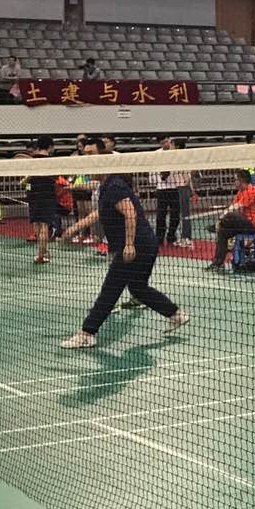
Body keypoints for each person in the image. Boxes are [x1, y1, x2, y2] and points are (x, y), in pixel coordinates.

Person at [60, 140, 189, 349]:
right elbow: (100, 210)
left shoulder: (115, 186)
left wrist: (129, 245)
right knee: (138, 288)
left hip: (137, 246)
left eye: (92, 155)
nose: (87, 161)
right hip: (146, 244)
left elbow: (130, 213)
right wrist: (75, 226)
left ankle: (87, 333)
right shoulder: (107, 185)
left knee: (110, 289)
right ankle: (175, 314)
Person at [205, 169, 255, 271]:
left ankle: (217, 225)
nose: (234, 182)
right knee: (222, 231)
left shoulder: (251, 191)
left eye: (235, 180)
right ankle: (218, 263)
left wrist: (220, 219)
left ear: (241, 180)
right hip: (245, 224)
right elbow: (233, 207)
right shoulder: (240, 192)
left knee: (230, 215)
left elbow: (236, 207)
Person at [24, 136, 58, 264]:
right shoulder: (52, 161)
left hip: (33, 194)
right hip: (47, 195)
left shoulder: (31, 160)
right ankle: (41, 254)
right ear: (50, 147)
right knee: (44, 225)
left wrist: (27, 188)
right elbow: (56, 178)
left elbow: (26, 179)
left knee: (36, 223)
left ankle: (43, 252)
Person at [156, 136, 184, 246]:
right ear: (160, 144)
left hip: (174, 188)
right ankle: (159, 238)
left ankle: (171, 237)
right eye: (163, 142)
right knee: (161, 215)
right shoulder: (157, 154)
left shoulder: (176, 154)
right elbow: (153, 174)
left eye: (167, 141)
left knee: (175, 215)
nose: (166, 144)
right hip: (161, 189)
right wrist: (162, 176)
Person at [172, 138, 195, 249]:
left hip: (183, 187)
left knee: (185, 214)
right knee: (183, 214)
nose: (171, 147)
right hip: (181, 187)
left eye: (172, 144)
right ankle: (184, 237)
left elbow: (186, 173)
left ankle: (187, 239)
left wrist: (188, 186)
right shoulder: (179, 156)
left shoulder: (181, 157)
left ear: (177, 146)